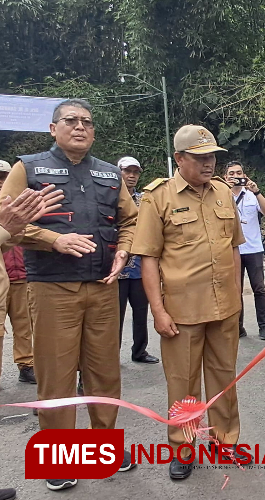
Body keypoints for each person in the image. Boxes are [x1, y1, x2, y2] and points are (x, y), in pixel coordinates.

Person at [0, 98, 138, 491]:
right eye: (71, 121)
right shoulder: (29, 168)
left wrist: (124, 249)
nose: (80, 127)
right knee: (56, 376)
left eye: (87, 122)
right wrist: (52, 239)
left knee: (104, 372)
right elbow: (5, 219)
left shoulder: (111, 175)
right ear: (53, 128)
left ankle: (101, 447)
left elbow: (130, 220)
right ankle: (59, 455)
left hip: (101, 288)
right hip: (51, 287)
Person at [131, 125, 245, 480]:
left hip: (224, 306)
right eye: (199, 158)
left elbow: (234, 247)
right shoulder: (158, 197)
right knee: (183, 383)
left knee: (224, 378)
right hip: (182, 311)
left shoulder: (224, 193)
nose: (208, 163)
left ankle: (225, 441)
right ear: (179, 159)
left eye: (211, 156)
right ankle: (183, 447)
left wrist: (238, 296)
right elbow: (148, 258)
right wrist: (158, 310)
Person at [0, 186, 64, 500]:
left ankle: (94, 452)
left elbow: (18, 235)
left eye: (3, 177)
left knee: (26, 333)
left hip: (22, 278)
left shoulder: (12, 205)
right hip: (29, 280)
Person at [224, 161, 265, 340]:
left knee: (259, 288)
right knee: (235, 290)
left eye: (239, 173)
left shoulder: (252, 195)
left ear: (244, 175)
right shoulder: (221, 195)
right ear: (225, 177)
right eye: (231, 174)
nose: (236, 176)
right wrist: (225, 190)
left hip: (252, 248)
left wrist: (257, 191)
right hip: (232, 248)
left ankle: (263, 326)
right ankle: (238, 327)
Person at [116, 156, 158, 364]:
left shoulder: (145, 200)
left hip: (140, 266)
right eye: (127, 171)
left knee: (141, 311)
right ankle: (110, 356)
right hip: (117, 267)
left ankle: (139, 350)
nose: (131, 176)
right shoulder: (109, 197)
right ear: (119, 172)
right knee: (115, 315)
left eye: (135, 172)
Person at [0, 160, 35, 383]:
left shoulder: (20, 208)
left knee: (24, 324)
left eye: (4, 177)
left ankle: (26, 364)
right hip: (3, 276)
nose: (1, 182)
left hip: (22, 274)